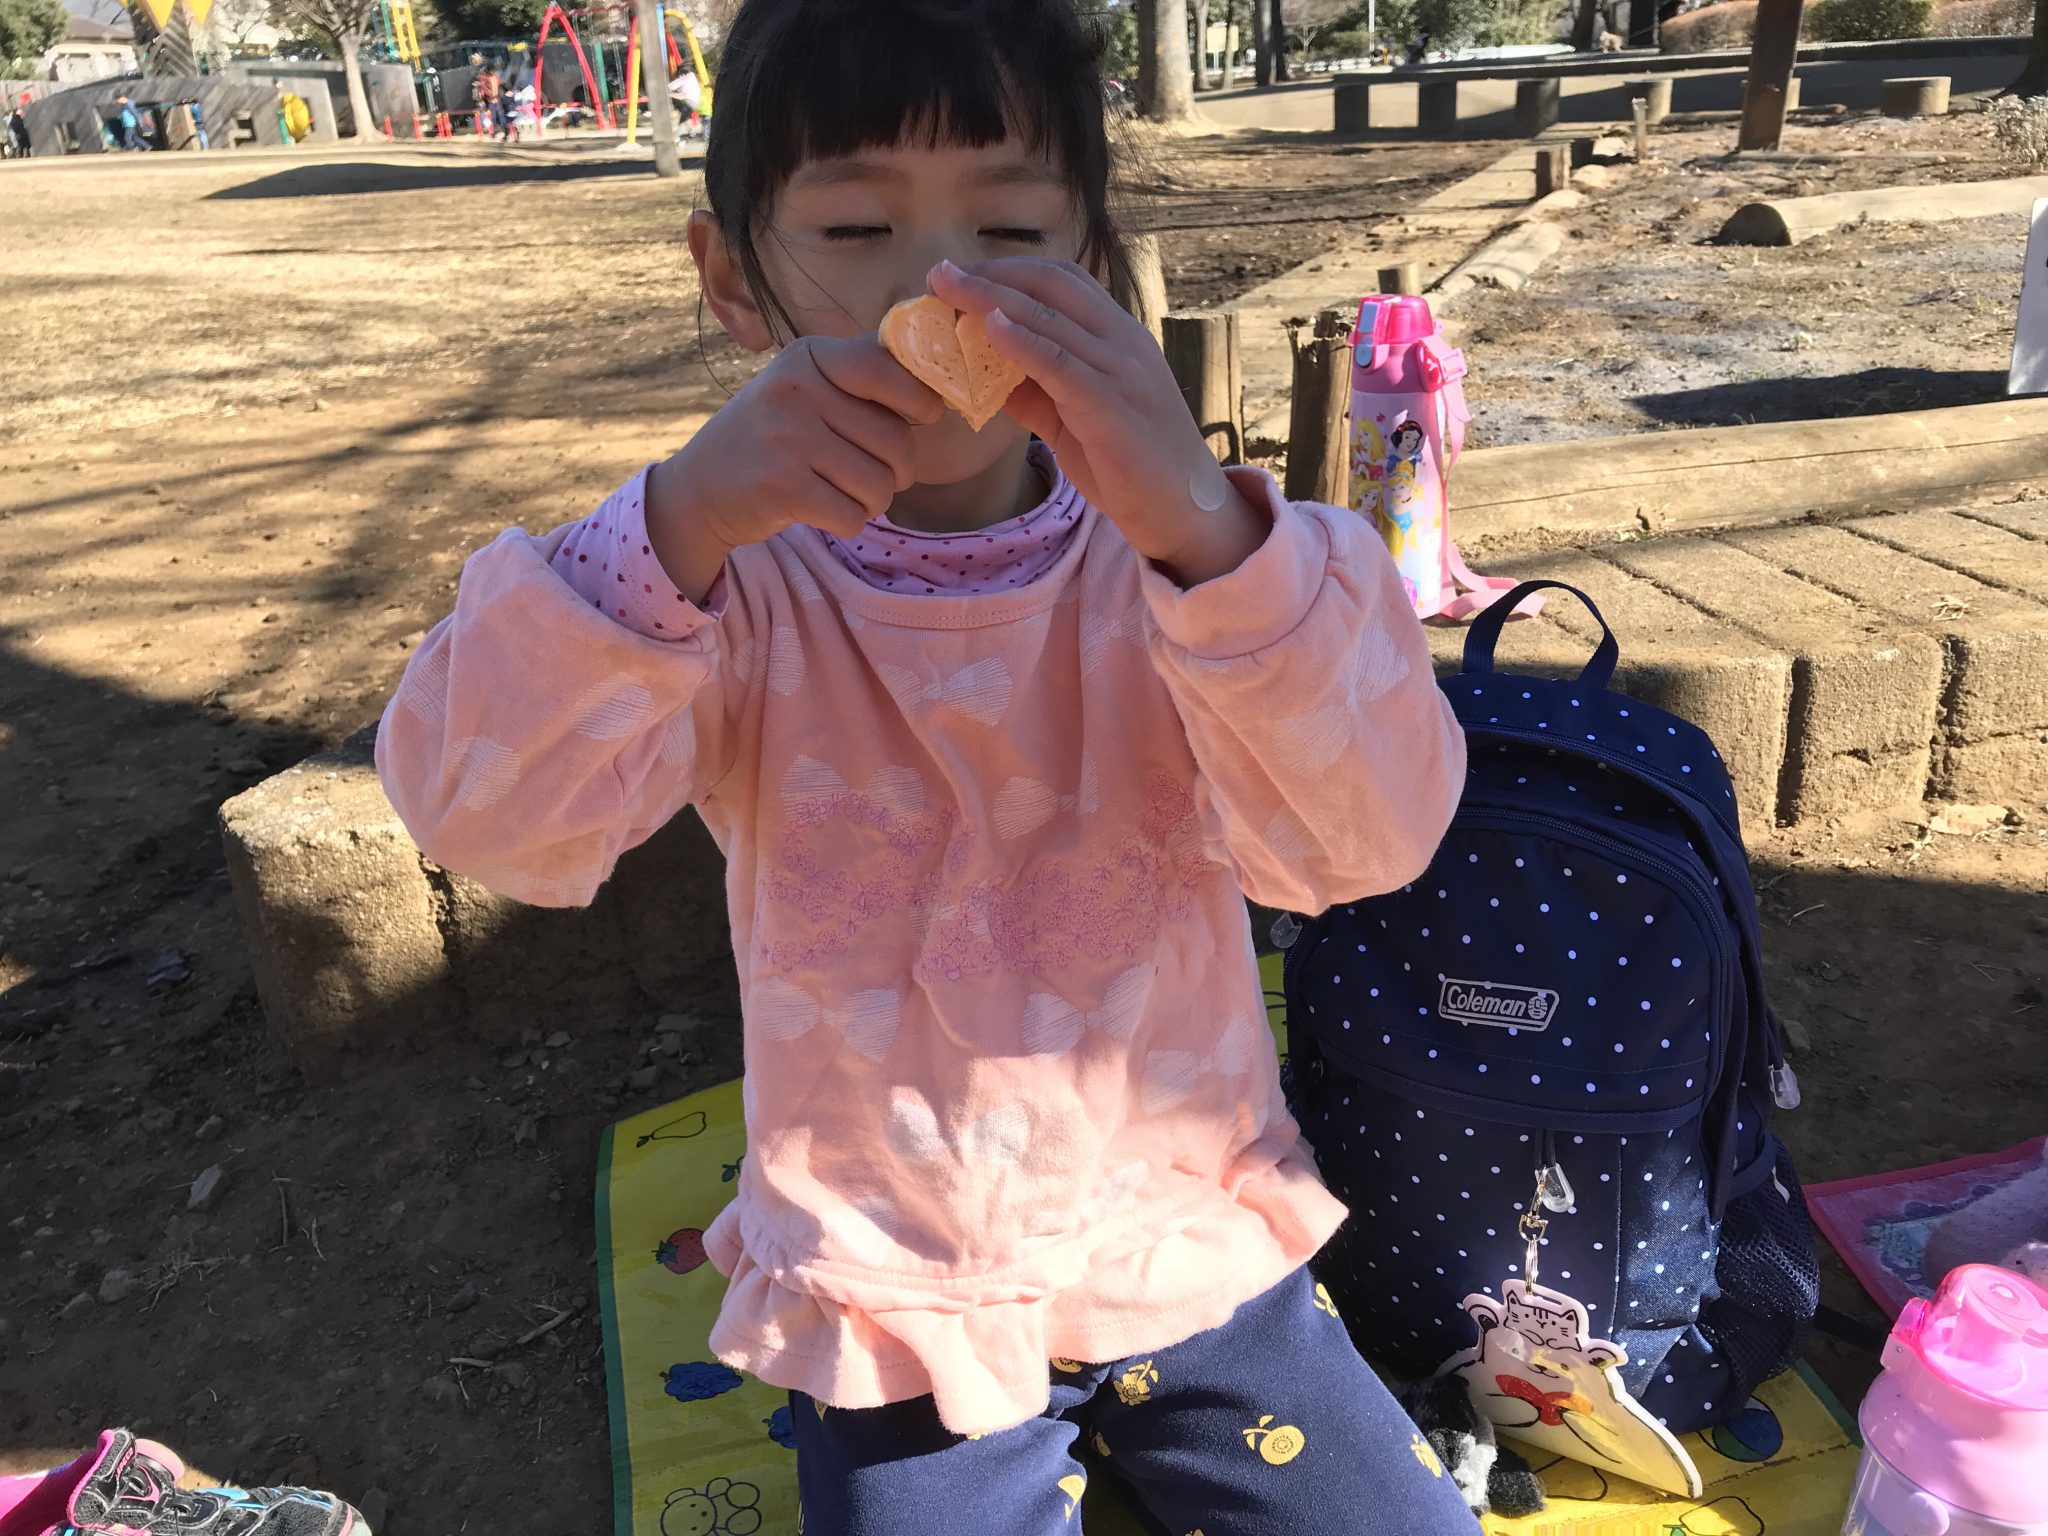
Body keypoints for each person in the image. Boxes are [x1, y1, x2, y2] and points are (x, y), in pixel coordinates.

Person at [375, 1, 1471, 1532]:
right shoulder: (719, 585)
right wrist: (673, 522)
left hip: (1182, 1234)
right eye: (854, 226)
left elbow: (1368, 838)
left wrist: (1208, 534)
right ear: (733, 278)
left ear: (1094, 261)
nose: (940, 291)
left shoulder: (1181, 567)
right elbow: (484, 815)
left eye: (1010, 229)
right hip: (893, 1286)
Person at [669, 66, 703, 137]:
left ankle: (689, 131)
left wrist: (670, 94)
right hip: (695, 102)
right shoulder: (692, 77)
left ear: (682, 74)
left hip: (689, 102)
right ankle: (681, 133)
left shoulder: (686, 79)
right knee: (684, 116)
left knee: (685, 114)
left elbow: (673, 87)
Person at [6, 93, 29, 158]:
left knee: (21, 142)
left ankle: (23, 153)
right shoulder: (14, 116)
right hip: (19, 130)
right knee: (21, 142)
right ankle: (23, 153)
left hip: (19, 130)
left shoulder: (17, 114)